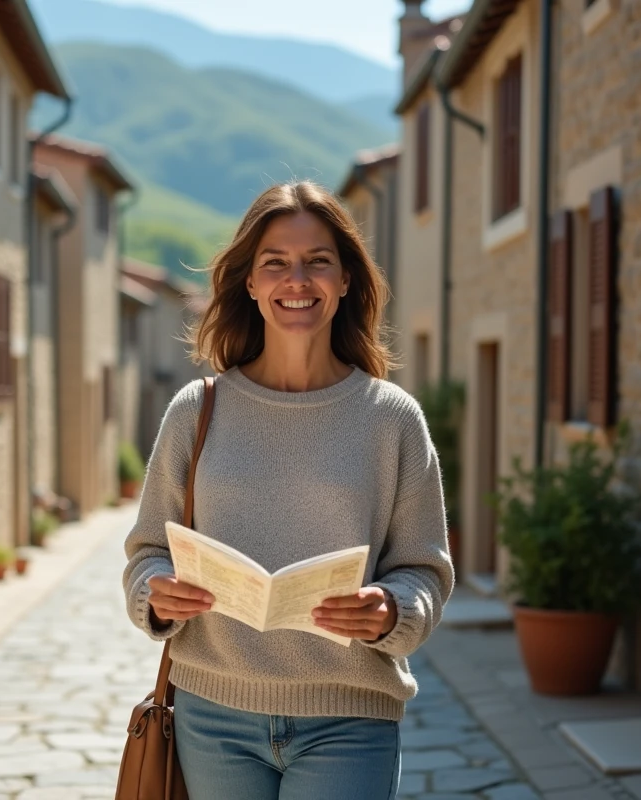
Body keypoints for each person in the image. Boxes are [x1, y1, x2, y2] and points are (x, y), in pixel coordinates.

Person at [122, 180, 454, 800]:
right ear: (249, 282)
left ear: (346, 279)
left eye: (317, 262)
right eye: (275, 262)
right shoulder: (196, 411)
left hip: (351, 717)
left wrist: (391, 610)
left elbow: (425, 570)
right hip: (212, 712)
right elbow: (146, 553)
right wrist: (156, 594)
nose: (296, 280)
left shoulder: (392, 419)